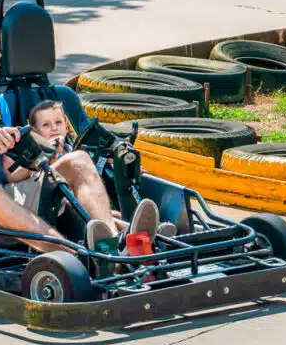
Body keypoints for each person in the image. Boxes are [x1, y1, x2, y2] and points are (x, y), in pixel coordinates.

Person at [0, 23, 160, 253]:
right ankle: (70, 254)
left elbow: (10, 176)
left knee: (78, 159)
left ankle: (113, 244)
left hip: (0, 197)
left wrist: (44, 165)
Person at [23, 99, 176, 252]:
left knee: (108, 211)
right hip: (55, 207)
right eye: (46, 125)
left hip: (84, 207)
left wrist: (118, 163)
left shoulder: (73, 149)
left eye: (58, 122)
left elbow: (92, 174)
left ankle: (141, 234)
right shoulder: (34, 154)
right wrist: (49, 154)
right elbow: (18, 176)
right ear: (36, 133)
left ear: (66, 125)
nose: (54, 128)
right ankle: (127, 238)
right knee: (90, 209)